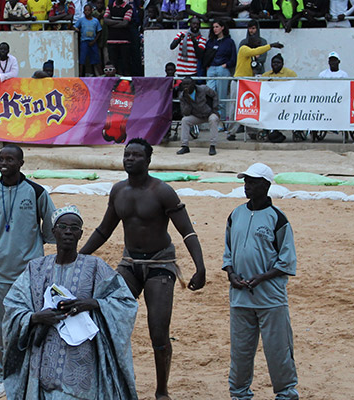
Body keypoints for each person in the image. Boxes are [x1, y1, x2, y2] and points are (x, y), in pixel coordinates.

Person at [79, 138, 207, 399]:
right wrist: (78, 257)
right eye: (127, 154)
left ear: (148, 161)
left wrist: (200, 266)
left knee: (158, 331)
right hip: (130, 263)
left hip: (160, 265)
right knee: (105, 315)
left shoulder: (162, 192)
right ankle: (110, 379)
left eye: (136, 155)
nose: (130, 159)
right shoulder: (118, 191)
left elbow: (187, 231)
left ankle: (162, 391)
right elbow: (104, 230)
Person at [3, 205, 140, 400]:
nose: (68, 231)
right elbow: (13, 305)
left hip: (83, 358)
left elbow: (125, 302)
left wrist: (92, 303)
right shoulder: (36, 268)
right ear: (53, 232)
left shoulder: (95, 267)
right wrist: (35, 317)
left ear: (81, 234)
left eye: (74, 228)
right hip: (43, 357)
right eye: (63, 227)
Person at [0, 144, 56, 399]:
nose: (4, 163)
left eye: (10, 159)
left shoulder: (36, 192)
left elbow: (50, 229)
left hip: (30, 270)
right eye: (1, 158)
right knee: (0, 325)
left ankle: (30, 372)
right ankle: (2, 376)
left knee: (31, 321)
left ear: (21, 163)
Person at [223, 163, 299, 400]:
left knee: (278, 350)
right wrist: (231, 274)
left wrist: (262, 277)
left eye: (253, 182)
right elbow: (228, 252)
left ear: (266, 186)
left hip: (271, 299)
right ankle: (239, 394)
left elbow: (286, 261)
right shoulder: (235, 214)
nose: (247, 186)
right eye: (246, 181)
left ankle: (286, 394)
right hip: (240, 297)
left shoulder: (278, 219)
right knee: (240, 352)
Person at [175, 77, 222, 155]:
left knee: (213, 119)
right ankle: (185, 146)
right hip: (197, 116)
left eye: (188, 84)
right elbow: (185, 112)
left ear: (193, 84)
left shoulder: (203, 89)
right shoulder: (182, 96)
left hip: (209, 113)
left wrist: (215, 109)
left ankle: (212, 146)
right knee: (185, 120)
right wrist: (188, 99)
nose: (186, 86)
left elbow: (215, 95)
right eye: (184, 84)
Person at [205, 19, 236, 119]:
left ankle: (222, 121)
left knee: (221, 98)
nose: (215, 29)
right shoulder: (210, 42)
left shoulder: (229, 42)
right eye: (213, 27)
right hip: (211, 69)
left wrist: (226, 65)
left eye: (217, 27)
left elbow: (234, 58)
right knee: (209, 95)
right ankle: (213, 119)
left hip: (222, 69)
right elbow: (206, 55)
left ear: (222, 28)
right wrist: (208, 65)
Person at [105, 0, 134, 76]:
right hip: (111, 40)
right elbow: (105, 20)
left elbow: (125, 23)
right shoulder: (110, 6)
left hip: (124, 40)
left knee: (126, 64)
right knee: (113, 65)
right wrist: (120, 21)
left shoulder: (128, 7)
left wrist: (112, 23)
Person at [74, 4, 101, 77]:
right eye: (85, 10)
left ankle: (98, 75)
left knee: (95, 60)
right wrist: (77, 29)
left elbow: (99, 31)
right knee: (82, 60)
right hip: (84, 41)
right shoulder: (81, 20)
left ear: (92, 11)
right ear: (83, 12)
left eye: (88, 10)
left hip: (93, 41)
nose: (87, 12)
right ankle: (80, 76)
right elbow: (75, 27)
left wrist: (94, 41)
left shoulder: (95, 21)